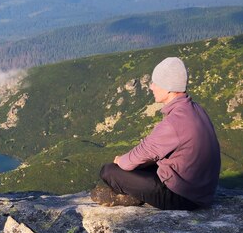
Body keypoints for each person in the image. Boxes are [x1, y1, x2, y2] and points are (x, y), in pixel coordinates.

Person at [91, 57, 220, 210]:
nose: (151, 87)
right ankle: (136, 193)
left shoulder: (174, 122)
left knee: (109, 171)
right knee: (141, 166)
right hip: (201, 191)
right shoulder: (195, 109)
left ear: (169, 88)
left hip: (182, 197)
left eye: (155, 83)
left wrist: (120, 161)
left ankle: (131, 196)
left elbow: (136, 157)